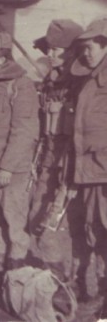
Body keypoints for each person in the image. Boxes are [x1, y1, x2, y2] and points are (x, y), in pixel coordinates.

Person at [0, 31, 39, 272]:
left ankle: (17, 271)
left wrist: (7, 166)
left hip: (11, 169)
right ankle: (0, 268)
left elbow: (24, 129)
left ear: (1, 59)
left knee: (14, 221)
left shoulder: (21, 85)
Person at [29, 19, 85, 281]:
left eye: (56, 49)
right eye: (48, 49)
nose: (50, 54)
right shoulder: (52, 81)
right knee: (37, 218)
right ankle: (54, 276)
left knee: (61, 224)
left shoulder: (82, 83)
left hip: (71, 166)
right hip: (48, 161)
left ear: (72, 51)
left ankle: (69, 282)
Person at [69, 18, 107, 316]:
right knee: (96, 230)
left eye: (91, 47)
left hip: (103, 168)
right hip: (94, 170)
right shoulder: (92, 79)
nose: (86, 53)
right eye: (83, 48)